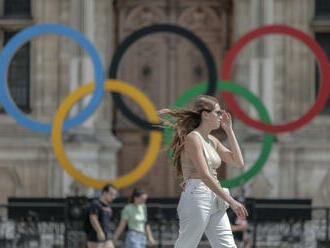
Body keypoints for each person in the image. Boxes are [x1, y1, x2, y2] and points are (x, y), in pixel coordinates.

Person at [158, 95, 248, 248]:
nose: (221, 116)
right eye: (218, 112)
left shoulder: (212, 140)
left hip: (215, 196)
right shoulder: (193, 138)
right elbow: (204, 175)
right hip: (198, 194)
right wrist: (231, 201)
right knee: (187, 245)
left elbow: (238, 162)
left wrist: (229, 131)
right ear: (205, 114)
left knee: (227, 246)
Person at [85, 183, 117, 248]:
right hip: (95, 237)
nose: (113, 197)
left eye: (114, 195)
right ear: (104, 193)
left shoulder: (108, 206)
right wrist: (99, 232)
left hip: (107, 237)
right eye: (111, 194)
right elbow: (93, 218)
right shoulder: (96, 204)